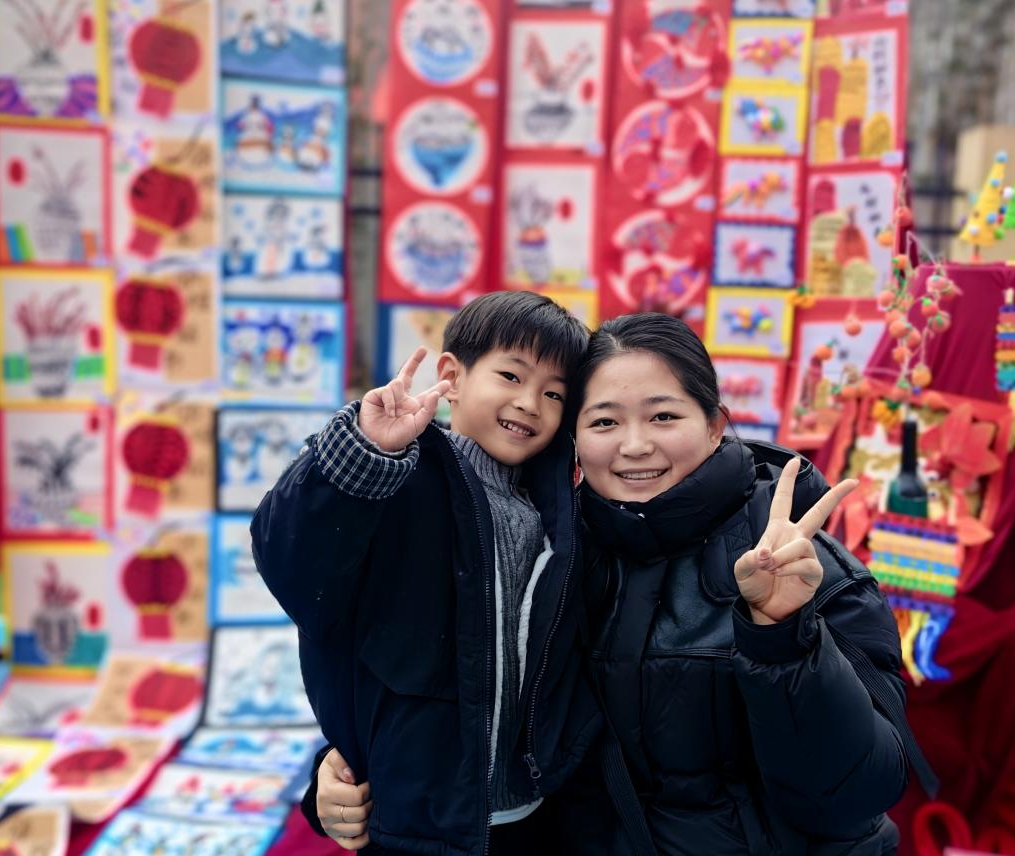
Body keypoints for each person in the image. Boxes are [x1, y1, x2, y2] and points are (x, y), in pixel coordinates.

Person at [318, 312, 926, 853]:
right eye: (605, 420)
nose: (635, 446)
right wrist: (345, 761)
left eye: (664, 416)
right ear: (574, 438)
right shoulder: (553, 555)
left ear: (715, 424)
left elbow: (858, 793)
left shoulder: (803, 568)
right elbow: (461, 681)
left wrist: (784, 637)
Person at [252, 291, 601, 854]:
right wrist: (362, 453)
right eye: (511, 376)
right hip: (414, 816)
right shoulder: (395, 478)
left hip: (532, 814)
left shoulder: (556, 511)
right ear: (452, 377)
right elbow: (296, 566)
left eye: (554, 393)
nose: (530, 403)